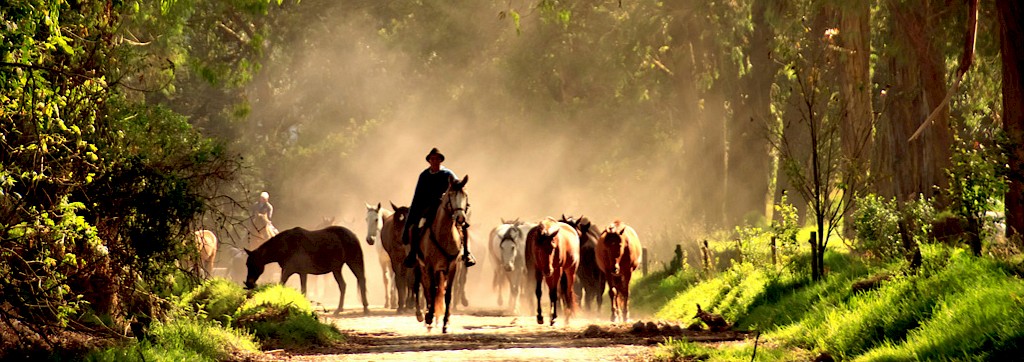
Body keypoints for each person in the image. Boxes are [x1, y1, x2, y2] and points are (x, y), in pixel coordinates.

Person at [403, 148, 476, 267]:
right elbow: (418, 196)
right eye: (432, 159)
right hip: (428, 210)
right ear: (429, 161)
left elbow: (458, 188)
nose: (435, 161)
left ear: (441, 160)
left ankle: (466, 253)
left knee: (462, 225)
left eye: (437, 159)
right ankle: (413, 253)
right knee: (416, 227)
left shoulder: (448, 174)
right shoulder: (424, 175)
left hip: (447, 209)